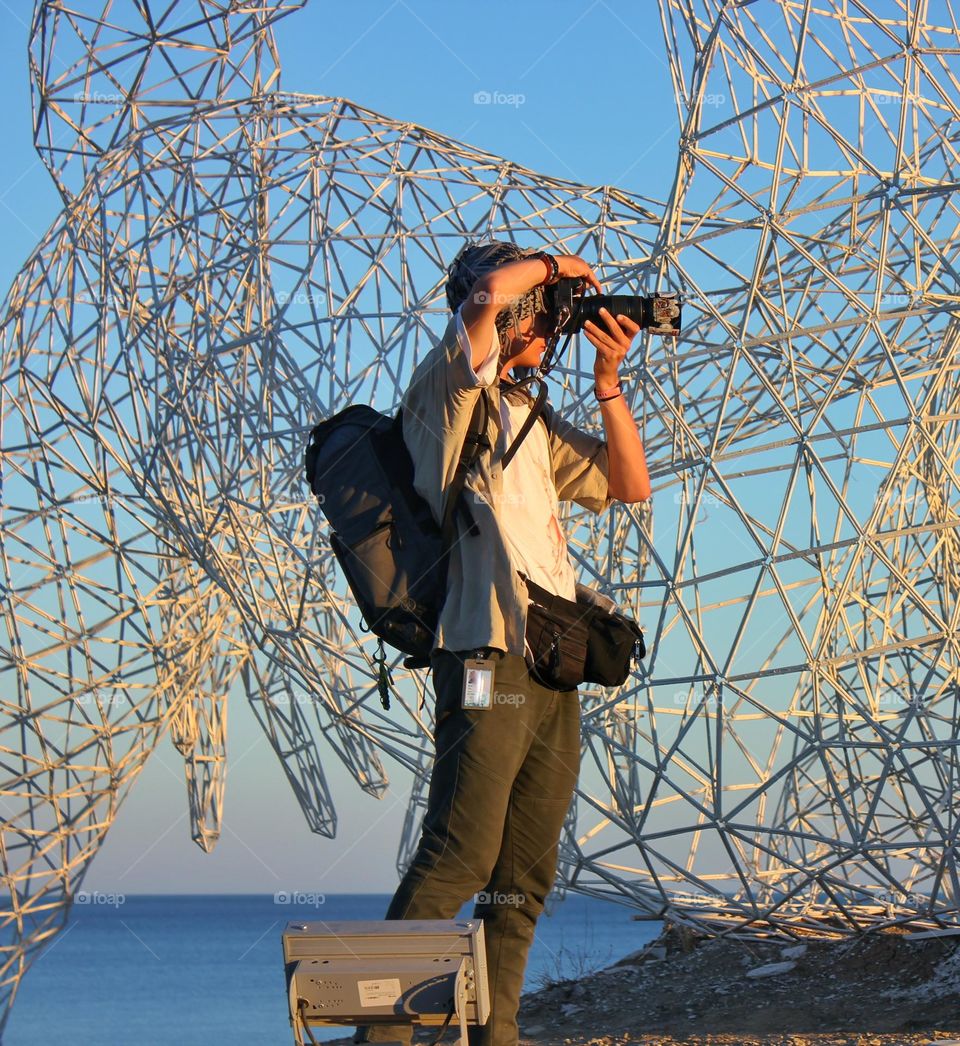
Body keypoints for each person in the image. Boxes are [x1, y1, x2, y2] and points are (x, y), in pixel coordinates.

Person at [353, 240, 651, 1046]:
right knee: (458, 854)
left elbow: (629, 483)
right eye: (544, 320)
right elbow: (483, 293)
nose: (552, 329)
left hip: (551, 664)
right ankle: (379, 1034)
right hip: (482, 659)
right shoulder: (450, 389)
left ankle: (496, 1034)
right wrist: (557, 268)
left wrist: (608, 385)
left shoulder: (530, 417)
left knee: (522, 877)